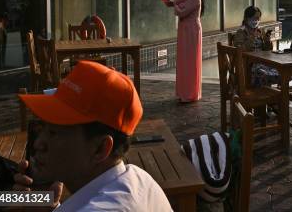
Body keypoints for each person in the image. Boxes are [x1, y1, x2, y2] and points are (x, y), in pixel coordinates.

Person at [13, 61, 172, 211]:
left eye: (54, 133)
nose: (38, 144)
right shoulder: (138, 179)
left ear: (101, 148)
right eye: (42, 129)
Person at [160, 0, 204, 102]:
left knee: (190, 62)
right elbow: (170, 3)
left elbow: (181, 12)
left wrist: (175, 4)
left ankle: (190, 94)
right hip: (184, 30)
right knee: (183, 62)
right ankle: (183, 93)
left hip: (192, 31)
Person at [233, 6, 278, 87]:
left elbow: (267, 50)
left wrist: (268, 41)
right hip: (248, 65)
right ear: (247, 18)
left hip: (262, 62)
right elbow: (239, 51)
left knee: (282, 73)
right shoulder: (241, 32)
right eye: (254, 18)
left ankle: (274, 96)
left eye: (258, 18)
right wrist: (251, 38)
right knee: (265, 74)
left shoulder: (260, 31)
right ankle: (262, 95)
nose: (256, 21)